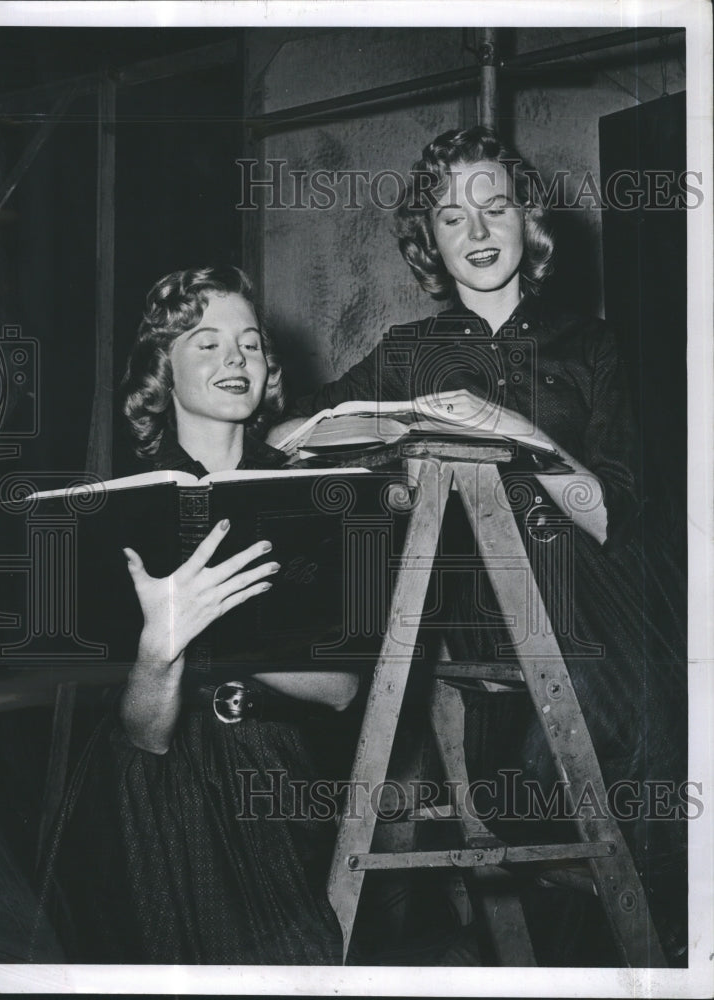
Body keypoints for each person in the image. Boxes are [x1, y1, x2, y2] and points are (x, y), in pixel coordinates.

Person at [273, 126, 687, 964]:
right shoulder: (410, 353)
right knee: (529, 792)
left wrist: (513, 431)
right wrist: (391, 439)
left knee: (646, 767)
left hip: (607, 591)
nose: (479, 230)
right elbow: (289, 437)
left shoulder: (592, 344)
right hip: (490, 616)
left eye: (495, 206)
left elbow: (613, 513)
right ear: (430, 241)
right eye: (453, 217)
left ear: (527, 221)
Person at [31, 266, 358, 964]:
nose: (236, 358)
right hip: (157, 789)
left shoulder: (314, 498)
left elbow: (340, 687)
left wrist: (207, 635)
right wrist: (158, 653)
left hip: (277, 775)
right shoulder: (119, 510)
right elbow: (144, 738)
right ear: (162, 371)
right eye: (206, 344)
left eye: (249, 343)